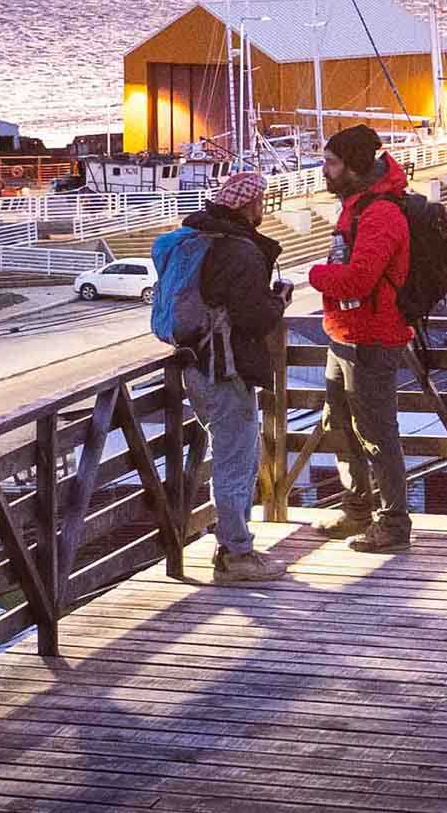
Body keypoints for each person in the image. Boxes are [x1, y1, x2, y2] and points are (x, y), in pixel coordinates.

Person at [170, 170, 291, 583]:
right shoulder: (240, 252)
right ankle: (236, 554)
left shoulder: (203, 239)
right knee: (235, 461)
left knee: (229, 455)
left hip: (197, 365)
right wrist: (279, 301)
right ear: (249, 204)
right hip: (225, 369)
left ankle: (233, 547)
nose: (263, 208)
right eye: (261, 201)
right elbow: (253, 317)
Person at [307, 124, 414, 553]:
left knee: (376, 432)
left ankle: (393, 523)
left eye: (331, 163)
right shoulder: (358, 206)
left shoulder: (380, 213)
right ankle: (357, 510)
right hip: (346, 334)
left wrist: (316, 275)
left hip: (371, 338)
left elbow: (358, 279)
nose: (324, 171)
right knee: (340, 426)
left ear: (353, 166)